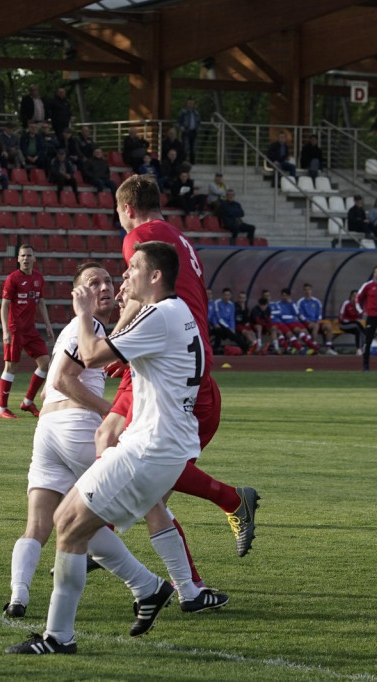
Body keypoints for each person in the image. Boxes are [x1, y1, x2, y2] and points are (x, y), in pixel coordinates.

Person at [5, 241, 221, 656]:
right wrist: (120, 309)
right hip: (158, 446)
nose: (124, 278)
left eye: (131, 270)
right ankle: (149, 590)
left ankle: (62, 636)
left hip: (150, 448)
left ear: (155, 276)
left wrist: (83, 311)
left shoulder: (159, 316)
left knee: (68, 523)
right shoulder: (172, 313)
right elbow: (122, 339)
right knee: (71, 522)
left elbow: (90, 353)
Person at [107, 176, 260, 559]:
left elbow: (140, 296)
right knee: (150, 487)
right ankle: (187, 584)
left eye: (118, 212)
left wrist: (116, 343)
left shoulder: (139, 236)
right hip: (187, 352)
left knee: (115, 444)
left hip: (168, 355)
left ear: (127, 209)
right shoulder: (178, 237)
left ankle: (95, 538)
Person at [0, 245, 54, 419]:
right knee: (12, 366)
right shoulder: (12, 279)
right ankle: (2, 409)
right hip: (15, 330)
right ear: (18, 259)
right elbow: (4, 306)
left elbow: (41, 302)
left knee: (45, 363)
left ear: (34, 258)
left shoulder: (38, 278)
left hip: (31, 329)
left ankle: (28, 402)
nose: (26, 258)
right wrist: (5, 331)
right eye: (22, 255)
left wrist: (48, 325)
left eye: (29, 255)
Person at [270, 288, 320, 354]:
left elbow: (297, 313)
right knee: (297, 330)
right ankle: (307, 348)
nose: (284, 297)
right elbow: (280, 314)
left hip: (294, 321)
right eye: (283, 295)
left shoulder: (292, 303)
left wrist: (291, 303)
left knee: (305, 332)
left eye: (285, 295)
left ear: (289, 296)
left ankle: (311, 348)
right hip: (287, 322)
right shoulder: (278, 304)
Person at [297, 283, 335, 354]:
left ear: (311, 290)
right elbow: (300, 314)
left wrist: (318, 320)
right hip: (306, 323)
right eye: (305, 290)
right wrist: (307, 320)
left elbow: (319, 313)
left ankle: (329, 348)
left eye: (308, 290)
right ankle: (313, 346)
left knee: (328, 327)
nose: (307, 291)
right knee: (315, 326)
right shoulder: (300, 302)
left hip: (316, 322)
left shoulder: (316, 301)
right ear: (303, 291)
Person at [210, 287, 250, 354]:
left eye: (228, 295)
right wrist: (228, 328)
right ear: (222, 295)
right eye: (225, 295)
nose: (226, 296)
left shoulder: (231, 305)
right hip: (219, 324)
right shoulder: (217, 303)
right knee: (222, 331)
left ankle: (246, 348)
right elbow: (218, 318)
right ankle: (246, 347)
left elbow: (232, 318)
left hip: (227, 326)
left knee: (234, 333)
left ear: (230, 296)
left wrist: (232, 328)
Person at [338, 290, 365, 355]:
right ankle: (368, 336)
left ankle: (359, 349)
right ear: (350, 297)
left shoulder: (358, 306)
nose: (355, 298)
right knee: (357, 325)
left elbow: (359, 316)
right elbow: (341, 317)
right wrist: (349, 320)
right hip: (343, 324)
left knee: (358, 332)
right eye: (353, 296)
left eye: (356, 296)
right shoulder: (346, 303)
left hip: (354, 325)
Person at [176, 98, 200, 164]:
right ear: (187, 104)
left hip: (194, 132)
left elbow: (198, 122)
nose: (191, 104)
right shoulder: (183, 112)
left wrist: (198, 128)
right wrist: (181, 127)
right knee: (185, 148)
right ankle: (183, 162)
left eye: (192, 103)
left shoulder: (196, 113)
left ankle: (192, 163)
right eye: (189, 103)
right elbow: (178, 122)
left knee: (193, 149)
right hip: (186, 131)